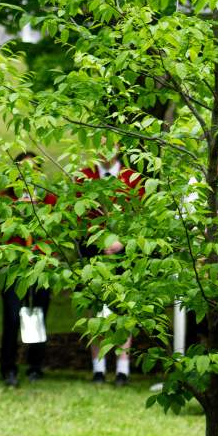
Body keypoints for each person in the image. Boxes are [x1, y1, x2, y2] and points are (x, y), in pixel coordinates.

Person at [79, 152, 141, 386]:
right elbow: (78, 217)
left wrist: (122, 242)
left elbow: (140, 217)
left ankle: (122, 370)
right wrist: (98, 241)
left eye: (108, 143)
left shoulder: (132, 178)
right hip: (94, 252)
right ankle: (99, 368)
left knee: (123, 310)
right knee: (96, 310)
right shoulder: (84, 178)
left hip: (124, 253)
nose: (103, 149)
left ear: (118, 147)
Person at [0, 152, 57, 386]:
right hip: (15, 267)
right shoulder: (5, 199)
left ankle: (35, 365)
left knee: (39, 313)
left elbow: (57, 235)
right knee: (13, 316)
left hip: (41, 266)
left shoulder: (49, 200)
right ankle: (8, 367)